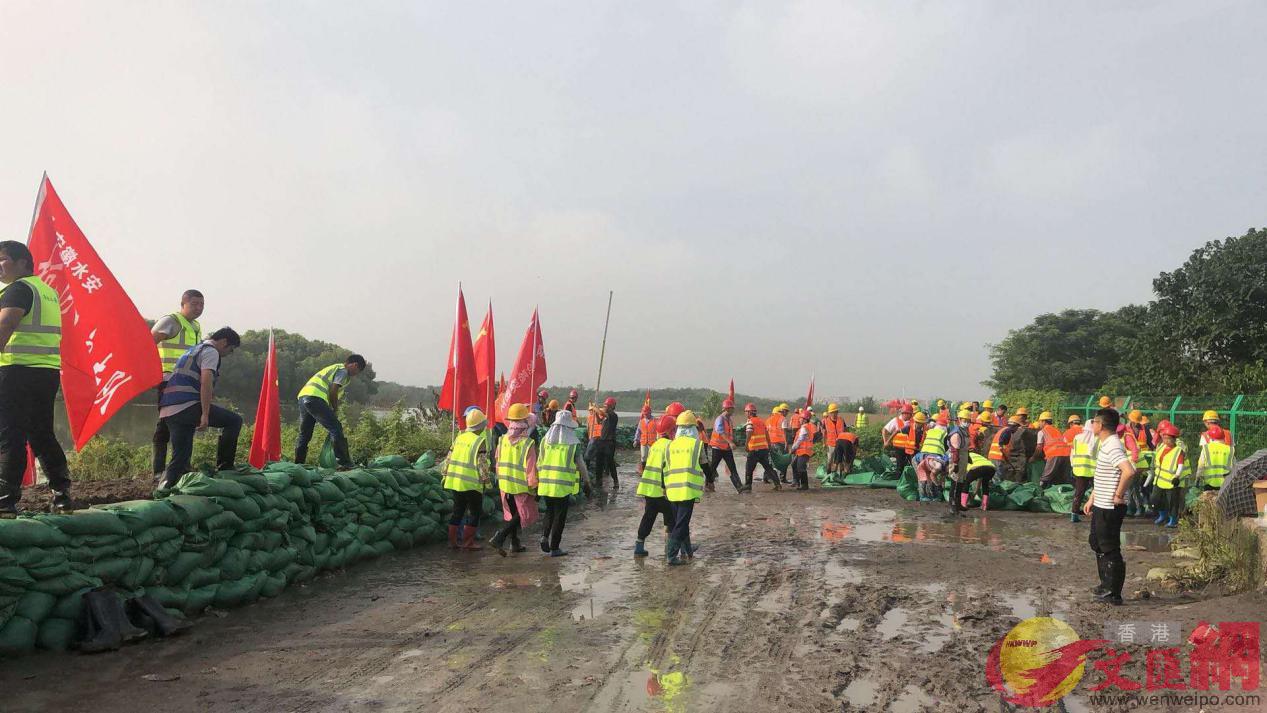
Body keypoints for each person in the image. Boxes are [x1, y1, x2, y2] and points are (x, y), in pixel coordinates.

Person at [0, 241, 72, 513]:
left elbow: (5, 324)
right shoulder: (47, 292)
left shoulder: (18, 290)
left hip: (15, 371)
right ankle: (62, 492)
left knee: (11, 434)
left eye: (3, 259)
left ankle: (5, 501)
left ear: (22, 263)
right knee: (41, 432)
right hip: (46, 372)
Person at [158, 327, 243, 489]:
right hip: (187, 405)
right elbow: (206, 382)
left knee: (180, 457)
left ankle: (164, 488)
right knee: (234, 421)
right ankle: (225, 466)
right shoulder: (211, 352)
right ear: (224, 342)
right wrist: (205, 414)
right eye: (231, 349)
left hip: (169, 407)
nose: (229, 354)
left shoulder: (194, 349)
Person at [1083, 407, 1136, 606]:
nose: (1092, 425)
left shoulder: (1113, 445)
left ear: (1101, 425)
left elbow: (1128, 471)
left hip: (1110, 506)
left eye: (1094, 422)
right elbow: (1104, 476)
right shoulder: (1104, 443)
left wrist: (1118, 495)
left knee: (1109, 547)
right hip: (1100, 502)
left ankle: (1113, 593)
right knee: (1096, 542)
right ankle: (1104, 584)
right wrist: (1091, 498)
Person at [150, 289, 204, 479]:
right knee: (165, 424)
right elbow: (149, 342)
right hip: (168, 379)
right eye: (194, 304)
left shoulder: (196, 326)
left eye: (201, 305)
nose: (199, 308)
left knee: (187, 423)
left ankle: (182, 466)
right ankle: (158, 470)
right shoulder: (171, 320)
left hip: (188, 383)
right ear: (183, 304)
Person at [293, 355, 366, 468]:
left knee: (305, 434)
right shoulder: (343, 371)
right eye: (358, 371)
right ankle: (344, 463)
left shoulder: (334, 368)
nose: (356, 374)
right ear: (354, 365)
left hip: (303, 397)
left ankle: (298, 465)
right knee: (335, 427)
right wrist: (335, 408)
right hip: (315, 398)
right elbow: (333, 389)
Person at [538, 409, 591, 556]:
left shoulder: (545, 441)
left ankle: (544, 536)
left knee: (549, 511)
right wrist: (587, 482)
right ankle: (555, 547)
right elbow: (581, 465)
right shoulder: (573, 444)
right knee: (559, 516)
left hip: (546, 483)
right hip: (562, 486)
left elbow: (539, 462)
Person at [490, 404, 538, 556]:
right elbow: (531, 468)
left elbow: (497, 460)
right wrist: (534, 486)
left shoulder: (502, 439)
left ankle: (514, 543)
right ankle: (500, 536)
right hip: (521, 484)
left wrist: (499, 478)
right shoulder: (527, 443)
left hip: (505, 482)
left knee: (511, 513)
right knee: (523, 514)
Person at [443, 407, 490, 550]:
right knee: (474, 512)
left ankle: (453, 542)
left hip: (455, 481)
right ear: (480, 426)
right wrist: (486, 482)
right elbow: (482, 464)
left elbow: (448, 458)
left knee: (457, 511)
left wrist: (445, 474)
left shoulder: (459, 438)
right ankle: (468, 542)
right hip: (472, 483)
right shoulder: (479, 441)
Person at [665, 410, 706, 565]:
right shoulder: (696, 444)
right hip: (687, 490)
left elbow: (666, 467)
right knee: (681, 524)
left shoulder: (670, 445)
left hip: (672, 489)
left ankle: (688, 550)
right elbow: (705, 464)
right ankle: (671, 555)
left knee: (681, 522)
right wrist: (709, 481)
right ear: (693, 428)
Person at [634, 414, 676, 557]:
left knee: (648, 517)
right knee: (671, 518)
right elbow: (666, 469)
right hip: (662, 491)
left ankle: (639, 546)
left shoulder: (655, 445)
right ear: (671, 431)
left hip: (649, 490)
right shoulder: (670, 446)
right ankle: (670, 549)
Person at [949, 409, 996, 515]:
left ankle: (958, 504)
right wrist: (956, 464)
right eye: (964, 420)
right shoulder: (956, 433)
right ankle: (952, 505)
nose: (966, 422)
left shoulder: (964, 432)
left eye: (968, 420)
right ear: (959, 420)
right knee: (955, 483)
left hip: (964, 459)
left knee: (961, 482)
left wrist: (968, 458)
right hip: (957, 460)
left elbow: (965, 448)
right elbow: (955, 450)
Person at [1151, 423, 1186, 528]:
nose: (1166, 441)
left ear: (1174, 439)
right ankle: (1162, 515)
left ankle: (1173, 520)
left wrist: (1177, 476)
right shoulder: (1161, 447)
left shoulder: (1178, 450)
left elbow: (1180, 465)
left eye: (1168, 439)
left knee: (1172, 502)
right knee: (1155, 499)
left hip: (1171, 482)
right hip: (1159, 480)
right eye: (1164, 438)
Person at [742, 402, 777, 492]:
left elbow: (749, 433)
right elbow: (767, 434)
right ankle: (778, 484)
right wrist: (769, 445)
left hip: (754, 449)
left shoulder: (750, 422)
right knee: (768, 467)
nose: (745, 414)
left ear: (749, 412)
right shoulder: (761, 421)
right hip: (763, 449)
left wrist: (746, 445)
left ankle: (748, 485)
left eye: (746, 412)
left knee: (749, 468)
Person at [708, 399, 742, 493]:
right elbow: (721, 432)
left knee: (732, 467)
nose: (733, 410)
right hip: (717, 448)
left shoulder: (729, 420)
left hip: (726, 448)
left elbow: (729, 433)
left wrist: (733, 441)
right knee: (713, 468)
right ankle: (708, 484)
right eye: (732, 408)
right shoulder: (720, 419)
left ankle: (739, 487)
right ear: (727, 409)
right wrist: (730, 442)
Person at [1068, 416, 1096, 523]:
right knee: (1097, 493)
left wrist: (1073, 464)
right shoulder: (1096, 439)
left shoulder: (1077, 438)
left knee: (1079, 493)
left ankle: (1074, 514)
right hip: (1094, 470)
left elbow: (1073, 452)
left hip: (1079, 469)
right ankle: (1094, 513)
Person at [1036, 411, 1073, 487]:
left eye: (1040, 421)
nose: (1039, 423)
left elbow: (1039, 447)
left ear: (1043, 421)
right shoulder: (1057, 430)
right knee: (1062, 478)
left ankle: (1040, 491)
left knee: (1046, 477)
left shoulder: (1042, 432)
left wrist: (1034, 457)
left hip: (1054, 455)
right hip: (1067, 454)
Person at [882, 405, 920, 477]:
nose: (911, 416)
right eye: (909, 414)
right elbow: (884, 430)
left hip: (910, 448)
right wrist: (885, 441)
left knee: (914, 464)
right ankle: (899, 481)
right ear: (904, 413)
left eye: (911, 414)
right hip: (899, 448)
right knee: (900, 466)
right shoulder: (896, 421)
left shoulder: (913, 421)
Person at [914, 413, 944, 502]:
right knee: (923, 478)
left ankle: (932, 496)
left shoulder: (932, 431)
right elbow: (932, 475)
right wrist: (939, 485)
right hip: (919, 459)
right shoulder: (939, 433)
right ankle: (923, 496)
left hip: (928, 457)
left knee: (930, 478)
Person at [788, 407, 819, 491]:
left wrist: (793, 449)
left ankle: (804, 485)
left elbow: (800, 439)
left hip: (804, 451)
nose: (799, 420)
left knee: (801, 467)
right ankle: (796, 481)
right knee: (794, 464)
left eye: (801, 418)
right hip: (802, 451)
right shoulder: (806, 427)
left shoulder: (804, 428)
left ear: (805, 419)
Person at [1196, 424, 1232, 491]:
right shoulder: (1230, 449)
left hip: (1209, 483)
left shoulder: (1206, 448)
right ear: (1223, 437)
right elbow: (1234, 466)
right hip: (1225, 483)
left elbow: (1201, 465)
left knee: (1208, 500)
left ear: (1211, 437)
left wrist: (1197, 478)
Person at [595, 396, 620, 489]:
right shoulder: (605, 416)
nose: (604, 406)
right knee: (599, 462)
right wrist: (595, 413)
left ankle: (616, 481)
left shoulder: (613, 415)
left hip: (610, 442)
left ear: (611, 406)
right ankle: (598, 481)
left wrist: (595, 408)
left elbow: (602, 412)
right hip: (602, 441)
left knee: (610, 462)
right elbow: (598, 421)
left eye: (606, 405)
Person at [767, 404, 791, 484]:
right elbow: (784, 432)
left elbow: (766, 432)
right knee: (783, 461)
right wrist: (786, 443)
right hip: (780, 443)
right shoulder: (783, 419)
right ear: (781, 411)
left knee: (770, 460)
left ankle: (768, 477)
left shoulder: (768, 420)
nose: (786, 413)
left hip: (770, 443)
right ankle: (782, 478)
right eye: (786, 411)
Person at [821, 404, 847, 476]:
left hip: (840, 443)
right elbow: (824, 433)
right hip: (831, 444)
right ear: (829, 413)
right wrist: (824, 443)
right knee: (829, 461)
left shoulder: (841, 420)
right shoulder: (826, 421)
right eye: (832, 412)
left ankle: (841, 476)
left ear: (837, 412)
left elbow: (845, 430)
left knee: (841, 460)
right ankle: (828, 475)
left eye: (835, 412)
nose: (834, 414)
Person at [636, 403, 657, 469]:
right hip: (643, 442)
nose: (645, 415)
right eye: (644, 414)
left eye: (646, 413)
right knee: (643, 456)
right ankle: (643, 470)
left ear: (650, 412)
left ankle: (652, 470)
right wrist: (636, 440)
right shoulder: (641, 421)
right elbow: (638, 431)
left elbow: (658, 431)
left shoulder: (655, 420)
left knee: (652, 457)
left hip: (652, 442)